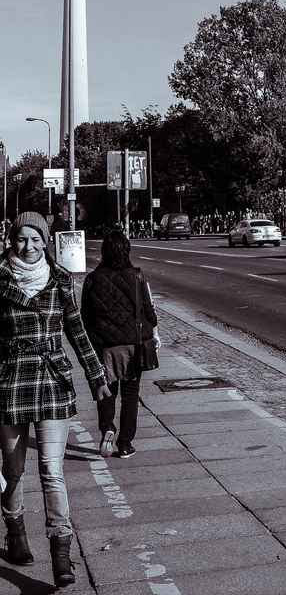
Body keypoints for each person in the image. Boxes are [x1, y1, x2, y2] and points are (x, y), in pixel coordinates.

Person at [0, 211, 110, 587]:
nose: (27, 247)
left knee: (52, 470)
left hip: (51, 380)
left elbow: (77, 332)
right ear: (11, 240)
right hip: (10, 381)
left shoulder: (61, 279)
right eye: (20, 239)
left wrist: (97, 377)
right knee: (13, 472)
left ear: (46, 241)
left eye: (35, 239)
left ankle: (60, 555)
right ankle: (15, 533)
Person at [80, 228, 159, 462]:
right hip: (133, 346)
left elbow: (85, 314)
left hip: (105, 348)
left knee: (106, 392)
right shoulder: (136, 275)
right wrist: (151, 324)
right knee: (130, 395)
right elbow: (148, 310)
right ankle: (125, 444)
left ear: (103, 252)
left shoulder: (92, 278)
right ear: (127, 250)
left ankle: (107, 429)